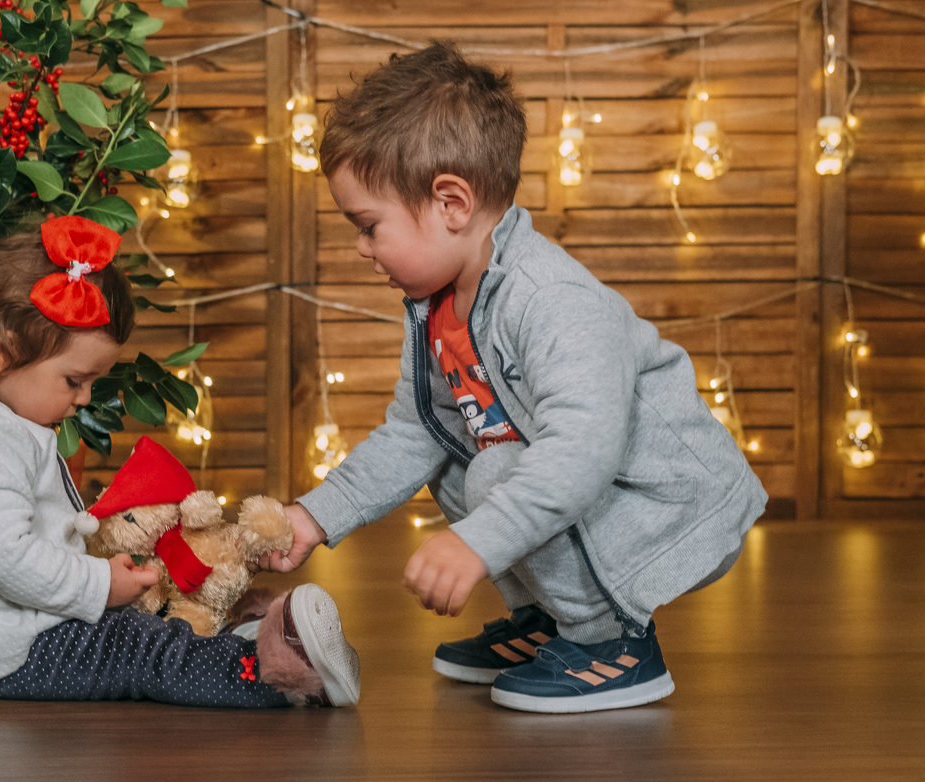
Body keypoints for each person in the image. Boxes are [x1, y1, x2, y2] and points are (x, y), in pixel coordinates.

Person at [262, 42, 767, 713]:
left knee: (499, 471)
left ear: (450, 203)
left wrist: (476, 543)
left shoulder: (554, 299)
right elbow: (415, 434)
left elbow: (582, 453)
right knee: (451, 450)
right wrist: (315, 516)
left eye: (369, 226)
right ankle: (552, 619)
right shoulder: (441, 308)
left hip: (668, 504)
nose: (361, 248)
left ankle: (613, 642)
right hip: (591, 496)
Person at [0, 215, 359, 708]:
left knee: (134, 621)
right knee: (135, 649)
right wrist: (97, 582)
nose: (84, 397)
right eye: (74, 380)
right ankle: (268, 674)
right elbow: (4, 557)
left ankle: (224, 642)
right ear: (4, 351)